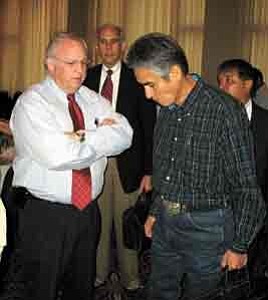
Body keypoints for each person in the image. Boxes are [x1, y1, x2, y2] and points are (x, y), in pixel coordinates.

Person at [126, 32, 266, 300]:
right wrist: (156, 210)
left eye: (150, 84)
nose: (147, 94)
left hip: (208, 227)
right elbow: (165, 169)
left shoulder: (224, 111)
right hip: (166, 222)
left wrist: (239, 245)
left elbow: (247, 186)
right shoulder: (166, 110)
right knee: (158, 289)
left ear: (175, 73)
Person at [0, 32, 133, 300]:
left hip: (86, 212)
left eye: (84, 62)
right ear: (50, 65)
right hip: (45, 215)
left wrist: (80, 136)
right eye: (71, 63)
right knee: (41, 289)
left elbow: (125, 136)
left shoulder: (92, 99)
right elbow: (57, 155)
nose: (81, 70)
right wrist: (99, 136)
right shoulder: (32, 102)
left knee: (81, 288)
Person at [83, 24, 156, 292]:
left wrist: (149, 170)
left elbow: (149, 127)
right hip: (95, 162)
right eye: (103, 42)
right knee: (98, 225)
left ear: (123, 45)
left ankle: (131, 278)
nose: (108, 47)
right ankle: (99, 274)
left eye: (114, 42)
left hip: (129, 165)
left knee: (128, 225)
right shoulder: (86, 78)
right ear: (97, 45)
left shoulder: (136, 78)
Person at [217, 58, 268, 290]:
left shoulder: (265, 122)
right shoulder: (214, 120)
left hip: (258, 213)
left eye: (229, 81)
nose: (222, 87)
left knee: (251, 275)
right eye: (220, 82)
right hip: (220, 212)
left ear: (247, 84)